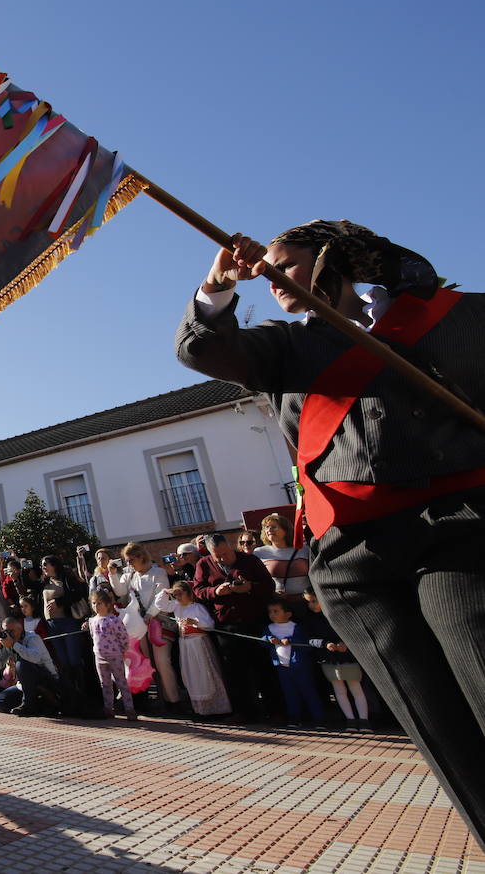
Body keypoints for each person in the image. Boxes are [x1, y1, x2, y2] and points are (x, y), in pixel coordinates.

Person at [177, 220, 485, 845]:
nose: (269, 276)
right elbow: (202, 350)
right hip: (351, 562)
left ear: (333, 264)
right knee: (437, 728)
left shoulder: (445, 318)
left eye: (284, 265)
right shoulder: (286, 347)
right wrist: (217, 286)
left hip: (451, 528)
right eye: (265, 268)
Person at [191, 532, 276, 721]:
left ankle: (275, 709)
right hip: (226, 624)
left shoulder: (250, 560)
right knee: (235, 670)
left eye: (225, 553)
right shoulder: (203, 564)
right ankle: (244, 711)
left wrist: (249, 587)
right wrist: (216, 591)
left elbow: (269, 586)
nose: (223, 558)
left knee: (263, 666)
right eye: (217, 556)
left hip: (254, 621)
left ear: (230, 546)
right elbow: (198, 591)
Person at [120, 542, 181, 713]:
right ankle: (157, 700)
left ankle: (173, 701)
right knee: (146, 663)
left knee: (162, 662)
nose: (129, 564)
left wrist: (150, 614)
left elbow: (161, 596)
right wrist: (112, 574)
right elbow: (120, 591)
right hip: (139, 626)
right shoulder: (131, 576)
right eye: (126, 561)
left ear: (141, 557)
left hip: (159, 622)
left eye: (131, 560)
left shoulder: (158, 572)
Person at [155, 582, 230, 718]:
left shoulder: (197, 607)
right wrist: (166, 592)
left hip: (198, 643)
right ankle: (199, 709)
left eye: (180, 593)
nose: (178, 597)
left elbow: (209, 625)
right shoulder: (177, 606)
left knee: (204, 675)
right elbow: (160, 605)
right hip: (185, 644)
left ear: (189, 593)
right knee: (190, 675)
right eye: (176, 594)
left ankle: (215, 709)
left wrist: (194, 622)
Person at [302, 590, 371, 731]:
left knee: (356, 688)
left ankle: (364, 720)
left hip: (347, 657)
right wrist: (324, 643)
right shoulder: (310, 620)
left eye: (314, 601)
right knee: (339, 690)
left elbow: (353, 631)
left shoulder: (339, 614)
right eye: (308, 602)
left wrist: (345, 643)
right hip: (328, 658)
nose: (311, 605)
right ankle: (350, 719)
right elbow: (309, 639)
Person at [261, 599, 326, 729]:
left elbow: (306, 645)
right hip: (282, 667)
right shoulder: (269, 628)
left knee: (309, 691)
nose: (272, 614)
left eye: (276, 611)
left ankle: (319, 719)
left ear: (288, 613)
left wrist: (290, 641)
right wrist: (268, 639)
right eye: (270, 612)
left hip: (301, 667)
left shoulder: (296, 627)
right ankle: (294, 718)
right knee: (290, 693)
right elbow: (262, 642)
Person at [0, 616, 58, 716]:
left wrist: (14, 645)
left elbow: (36, 658)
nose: (9, 634)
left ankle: (28, 705)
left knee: (21, 664)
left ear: (20, 629)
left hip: (46, 680)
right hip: (24, 685)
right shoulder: (7, 641)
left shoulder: (32, 637)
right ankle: (40, 705)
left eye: (11, 631)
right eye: (6, 631)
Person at [85, 588, 135, 721]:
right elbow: (93, 636)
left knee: (121, 682)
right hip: (99, 656)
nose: (96, 606)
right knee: (105, 683)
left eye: (100, 603)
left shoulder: (113, 620)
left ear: (107, 604)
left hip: (114, 655)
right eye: (94, 603)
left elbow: (123, 636)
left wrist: (123, 649)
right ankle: (108, 708)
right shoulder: (92, 621)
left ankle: (129, 708)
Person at [252, 513, 311, 598]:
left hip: (307, 603)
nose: (269, 529)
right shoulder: (259, 552)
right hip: (280, 606)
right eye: (266, 527)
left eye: (274, 526)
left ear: (286, 530)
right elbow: (258, 580)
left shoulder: (304, 549)